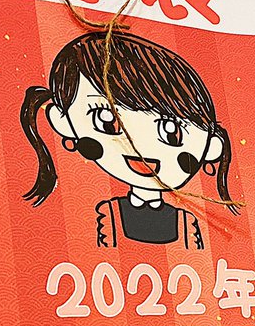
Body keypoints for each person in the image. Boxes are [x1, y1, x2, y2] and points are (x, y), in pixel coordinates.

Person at [21, 29, 237, 249]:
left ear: (211, 147)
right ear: (63, 122)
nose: (141, 147)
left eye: (171, 132)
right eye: (106, 120)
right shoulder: (108, 214)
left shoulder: (187, 223)